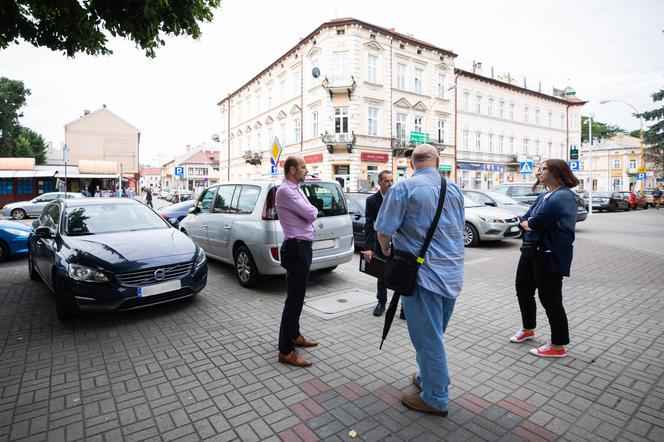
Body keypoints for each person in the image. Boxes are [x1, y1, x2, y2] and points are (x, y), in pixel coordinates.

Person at [375, 144, 465, 416]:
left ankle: (436, 397)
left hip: (422, 277)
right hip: (453, 274)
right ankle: (428, 378)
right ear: (437, 161)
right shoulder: (455, 188)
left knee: (428, 340)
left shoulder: (404, 189)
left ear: (412, 164)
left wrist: (386, 249)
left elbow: (383, 230)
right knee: (434, 335)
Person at [509, 159, 579, 358]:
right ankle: (528, 329)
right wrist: (527, 222)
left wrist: (528, 223)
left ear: (557, 172)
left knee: (550, 298)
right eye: (539, 169)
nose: (539, 172)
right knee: (523, 290)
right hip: (531, 250)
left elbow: (536, 223)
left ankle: (558, 345)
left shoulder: (563, 196)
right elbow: (525, 217)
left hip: (549, 254)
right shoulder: (545, 195)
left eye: (544, 169)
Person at [275, 155, 320, 367]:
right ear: (292, 170)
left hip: (302, 247)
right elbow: (311, 213)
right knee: (293, 299)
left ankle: (294, 335)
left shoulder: (296, 188)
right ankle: (285, 350)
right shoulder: (285, 191)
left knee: (298, 296)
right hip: (296, 248)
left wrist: (310, 211)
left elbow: (310, 211)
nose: (306, 170)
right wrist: (311, 212)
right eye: (303, 167)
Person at [363, 170, 398, 317]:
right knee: (381, 273)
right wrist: (369, 248)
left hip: (397, 243)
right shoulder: (372, 201)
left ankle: (401, 306)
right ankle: (381, 302)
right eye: (386, 181)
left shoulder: (398, 198)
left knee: (399, 273)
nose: (390, 184)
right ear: (379, 183)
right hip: (379, 242)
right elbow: (368, 225)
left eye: (392, 181)